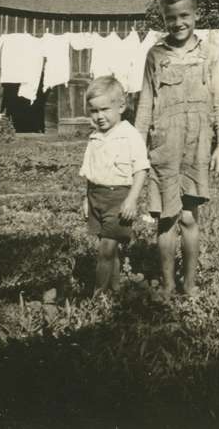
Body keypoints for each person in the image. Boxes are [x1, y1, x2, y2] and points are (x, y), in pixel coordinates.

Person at [135, 0, 219, 297]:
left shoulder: (210, 55)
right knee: (166, 220)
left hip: (197, 145)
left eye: (184, 15)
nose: (178, 23)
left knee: (189, 217)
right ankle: (167, 284)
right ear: (164, 19)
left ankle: (189, 285)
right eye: (170, 17)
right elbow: (146, 103)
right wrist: (137, 148)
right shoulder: (155, 56)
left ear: (196, 15)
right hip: (163, 146)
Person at [80, 75, 149, 293]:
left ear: (121, 106)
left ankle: (97, 294)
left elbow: (141, 169)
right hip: (96, 197)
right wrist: (86, 199)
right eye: (94, 111)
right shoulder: (95, 138)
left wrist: (132, 199)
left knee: (106, 249)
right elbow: (91, 172)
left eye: (104, 109)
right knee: (110, 248)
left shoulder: (130, 135)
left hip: (118, 199)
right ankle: (115, 289)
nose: (99, 116)